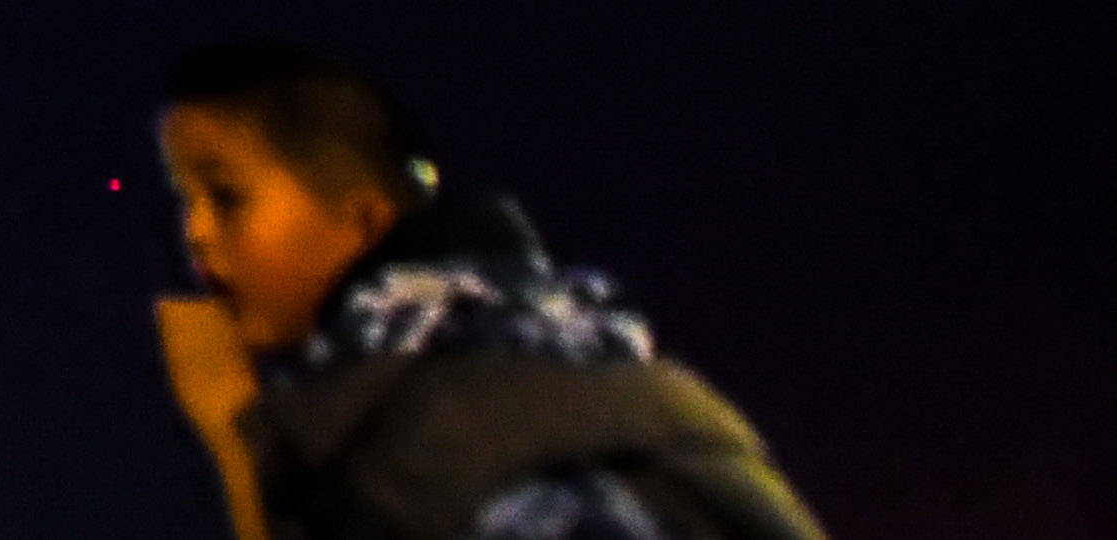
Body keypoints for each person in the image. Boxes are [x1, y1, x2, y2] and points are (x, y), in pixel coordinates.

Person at [148, 37, 824, 540]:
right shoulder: (563, 359)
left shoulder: (434, 429)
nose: (196, 233)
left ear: (361, 219)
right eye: (186, 201)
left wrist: (244, 440)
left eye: (226, 197)